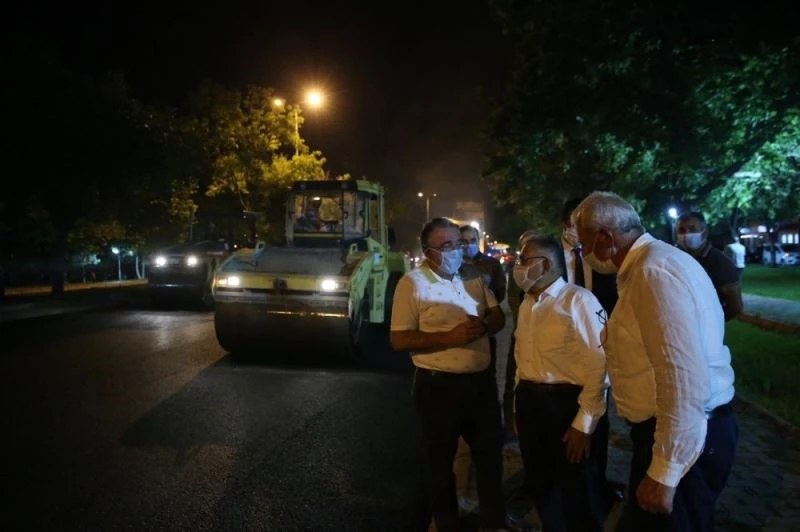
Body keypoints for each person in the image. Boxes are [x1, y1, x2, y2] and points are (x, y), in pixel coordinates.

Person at [573, 192, 738, 532]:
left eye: (584, 244)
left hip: (682, 438)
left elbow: (681, 375)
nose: (583, 253)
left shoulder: (652, 272)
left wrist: (666, 469)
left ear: (605, 237)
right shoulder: (653, 264)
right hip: (680, 433)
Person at [390, 217, 508, 532]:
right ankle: (446, 522)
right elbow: (400, 339)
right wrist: (450, 337)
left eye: (459, 242)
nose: (457, 250)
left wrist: (485, 325)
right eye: (447, 245)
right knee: (440, 462)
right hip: (438, 388)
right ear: (428, 252)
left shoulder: (473, 275)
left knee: (489, 455)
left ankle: (494, 520)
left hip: (480, 384)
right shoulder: (412, 284)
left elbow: (497, 315)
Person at [512, 233, 607, 531]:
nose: (518, 266)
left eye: (524, 260)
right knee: (541, 484)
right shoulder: (527, 303)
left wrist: (584, 424)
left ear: (545, 264)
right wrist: (519, 407)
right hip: (531, 404)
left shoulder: (578, 301)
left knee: (577, 490)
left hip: (566, 407)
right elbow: (521, 358)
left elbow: (600, 365)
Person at [560, 198, 625, 514]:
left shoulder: (602, 259)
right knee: (565, 419)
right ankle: (567, 488)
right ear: (565, 225)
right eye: (575, 223)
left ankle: (597, 484)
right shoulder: (549, 255)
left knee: (598, 417)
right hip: (561, 353)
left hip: (598, 346)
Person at [675, 212, 743, 321]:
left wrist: (712, 322)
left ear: (704, 233)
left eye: (692, 229)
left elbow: (735, 307)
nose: (687, 234)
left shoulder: (721, 263)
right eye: (682, 231)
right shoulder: (674, 259)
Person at [461, 224, 507, 372]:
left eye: (472, 240)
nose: (469, 245)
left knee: (487, 370)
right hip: (460, 326)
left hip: (486, 326)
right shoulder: (453, 265)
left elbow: (500, 291)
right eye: (464, 241)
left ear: (478, 240)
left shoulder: (491, 264)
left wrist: (487, 312)